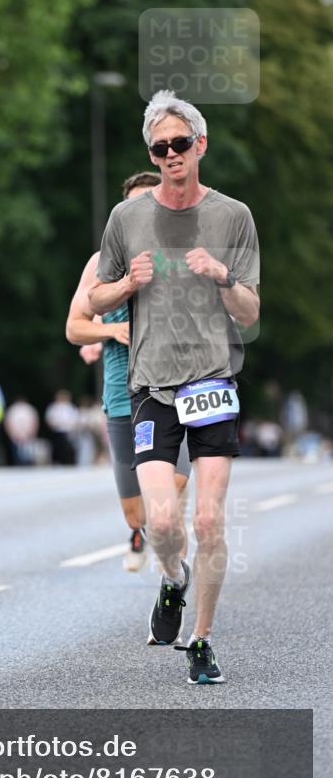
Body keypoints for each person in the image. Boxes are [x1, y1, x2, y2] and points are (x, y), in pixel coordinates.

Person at [89, 90, 260, 684]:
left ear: (200, 145)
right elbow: (94, 298)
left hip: (213, 380)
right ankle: (173, 578)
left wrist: (223, 275)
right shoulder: (126, 219)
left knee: (209, 521)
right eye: (159, 148)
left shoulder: (232, 216)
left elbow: (250, 311)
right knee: (162, 524)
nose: (170, 156)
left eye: (179, 145)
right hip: (151, 387)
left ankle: (202, 641)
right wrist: (125, 286)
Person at [67, 172, 191, 572]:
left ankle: (172, 583)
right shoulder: (100, 265)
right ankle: (140, 532)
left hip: (178, 393)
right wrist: (108, 331)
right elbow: (74, 326)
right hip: (123, 397)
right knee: (136, 511)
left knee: (169, 498)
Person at [45, 390, 78, 465]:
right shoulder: (53, 407)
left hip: (68, 431)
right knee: (57, 448)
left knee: (67, 448)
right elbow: (49, 419)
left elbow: (75, 419)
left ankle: (68, 461)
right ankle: (57, 461)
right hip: (56, 431)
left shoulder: (70, 407)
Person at [4, 397, 39, 466]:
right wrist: (11, 433)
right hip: (16, 433)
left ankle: (28, 463)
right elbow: (8, 422)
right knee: (16, 450)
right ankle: (18, 463)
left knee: (28, 450)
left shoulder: (28, 409)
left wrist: (32, 432)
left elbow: (34, 421)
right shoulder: (13, 409)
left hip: (27, 432)